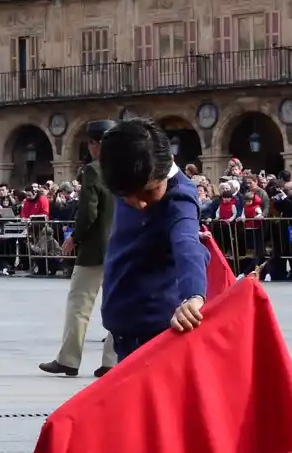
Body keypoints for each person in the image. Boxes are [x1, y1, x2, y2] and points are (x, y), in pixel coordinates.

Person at [96, 121, 208, 364]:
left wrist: (194, 296)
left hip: (153, 328)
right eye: (128, 195)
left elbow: (187, 243)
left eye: (149, 191)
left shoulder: (180, 198)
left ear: (167, 163)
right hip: (122, 322)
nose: (139, 203)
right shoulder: (126, 171)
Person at [41, 120, 118, 378]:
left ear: (95, 144)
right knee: (116, 303)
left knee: (79, 304)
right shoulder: (127, 169)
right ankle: (111, 360)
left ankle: (69, 359)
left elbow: (88, 212)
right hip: (120, 246)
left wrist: (74, 236)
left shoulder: (93, 171)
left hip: (95, 248)